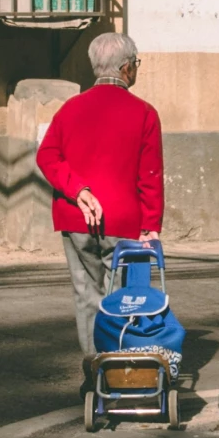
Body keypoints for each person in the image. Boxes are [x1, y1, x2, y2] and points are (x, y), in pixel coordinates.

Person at [36, 31, 164, 362]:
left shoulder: (70, 109)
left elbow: (47, 156)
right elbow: (149, 176)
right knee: (123, 295)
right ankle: (120, 366)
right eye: (134, 64)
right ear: (125, 68)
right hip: (124, 221)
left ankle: (95, 367)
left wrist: (78, 190)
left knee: (86, 294)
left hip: (76, 218)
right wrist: (151, 226)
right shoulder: (144, 113)